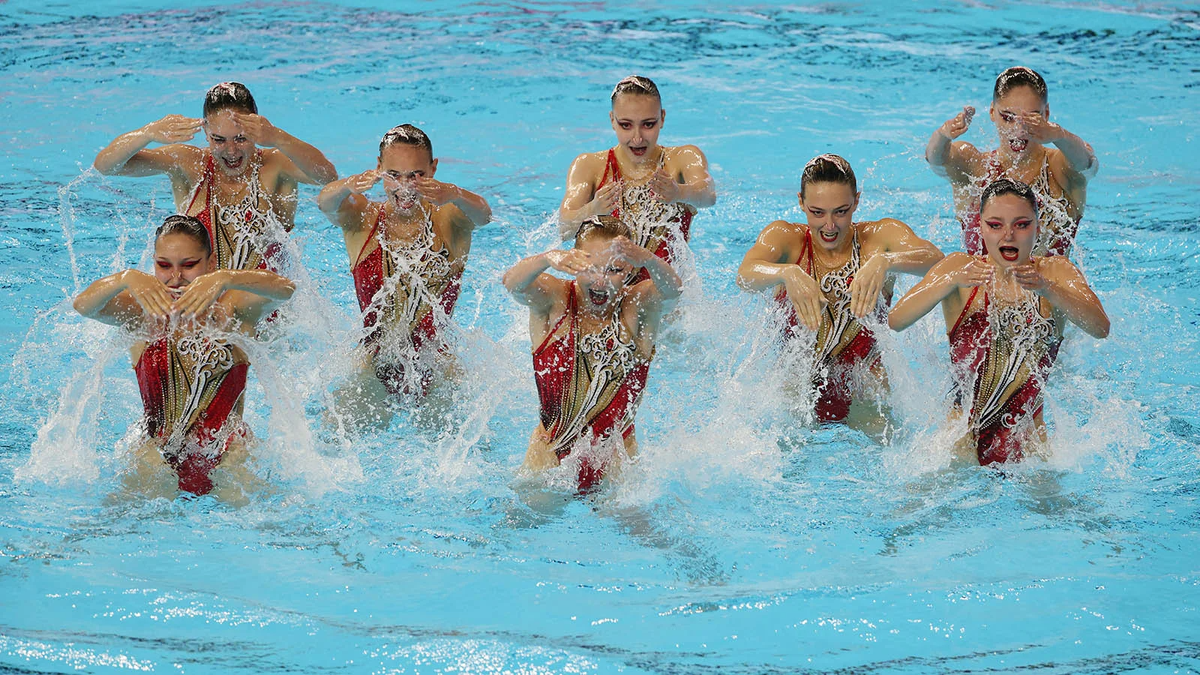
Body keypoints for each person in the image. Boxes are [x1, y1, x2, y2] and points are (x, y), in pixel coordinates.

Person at [888, 178, 1109, 465]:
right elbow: (897, 319)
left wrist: (1047, 289)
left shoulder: (1056, 273)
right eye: (995, 225)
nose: (1008, 236)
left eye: (1021, 224)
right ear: (980, 226)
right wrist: (950, 281)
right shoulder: (959, 269)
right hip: (960, 441)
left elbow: (1100, 328)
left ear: (1038, 226)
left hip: (1030, 444)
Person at [72, 215, 296, 498]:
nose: (176, 278)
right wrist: (125, 278)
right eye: (163, 266)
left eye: (189, 266)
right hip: (156, 453)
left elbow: (286, 289)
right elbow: (83, 305)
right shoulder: (142, 314)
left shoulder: (233, 310)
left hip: (228, 454)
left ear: (210, 264)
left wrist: (227, 278)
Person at [737, 154, 943, 424]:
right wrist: (787, 272)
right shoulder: (787, 241)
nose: (830, 226)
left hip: (865, 387)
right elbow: (744, 276)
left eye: (841, 211)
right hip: (798, 386)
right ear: (801, 202)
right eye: (817, 212)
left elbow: (938, 262)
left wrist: (886, 260)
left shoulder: (878, 240)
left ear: (856, 201)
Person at [316, 124, 491, 419]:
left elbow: (484, 215)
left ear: (433, 169)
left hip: (437, 365)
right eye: (393, 175)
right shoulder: (363, 218)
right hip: (372, 363)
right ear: (378, 168)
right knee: (332, 434)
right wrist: (348, 184)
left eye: (416, 175)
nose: (404, 186)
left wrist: (455, 193)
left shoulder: (449, 218)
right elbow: (325, 202)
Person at [503, 215, 682, 491]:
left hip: (616, 461)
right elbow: (512, 283)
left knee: (643, 531)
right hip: (549, 458)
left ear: (629, 272)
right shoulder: (555, 299)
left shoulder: (637, 307)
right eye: (590, 268)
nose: (600, 281)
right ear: (573, 264)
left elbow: (673, 292)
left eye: (614, 270)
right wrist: (547, 258)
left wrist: (650, 259)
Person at [93, 81, 337, 271]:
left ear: (258, 131)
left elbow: (327, 176)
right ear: (206, 133)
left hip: (266, 317)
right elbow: (106, 166)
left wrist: (279, 138)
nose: (231, 151)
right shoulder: (190, 164)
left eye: (241, 138)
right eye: (219, 140)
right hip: (201, 311)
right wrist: (147, 133)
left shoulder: (276, 166)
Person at [926, 66, 1097, 258]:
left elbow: (1087, 165)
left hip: (1048, 287)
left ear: (1046, 114)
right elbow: (936, 160)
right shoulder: (976, 167)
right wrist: (943, 135)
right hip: (981, 288)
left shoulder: (1058, 168)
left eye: (1031, 119)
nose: (1018, 130)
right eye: (1008, 118)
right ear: (992, 112)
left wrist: (1059, 135)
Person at [558, 75, 715, 276]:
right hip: (602, 296)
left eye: (648, 124)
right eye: (626, 125)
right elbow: (564, 229)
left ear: (663, 119)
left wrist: (679, 192)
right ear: (612, 121)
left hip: (662, 298)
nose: (637, 137)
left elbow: (709, 194)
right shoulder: (589, 165)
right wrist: (593, 208)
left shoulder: (682, 158)